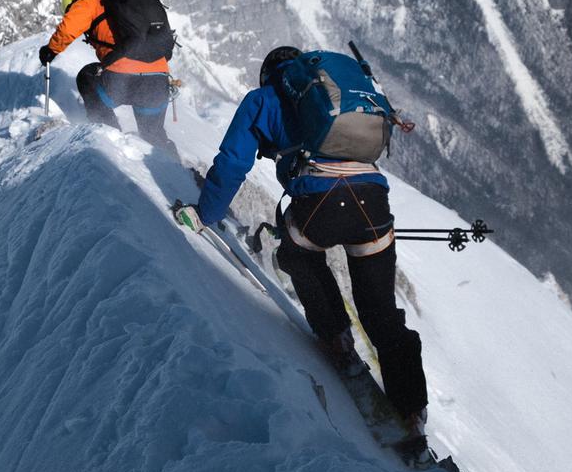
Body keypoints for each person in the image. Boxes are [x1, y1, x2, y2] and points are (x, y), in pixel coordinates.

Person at [175, 46, 428, 433]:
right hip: (374, 202)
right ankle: (412, 409)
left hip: (320, 200)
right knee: (380, 312)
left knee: (298, 255)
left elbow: (231, 164)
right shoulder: (335, 96)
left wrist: (205, 214)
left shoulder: (262, 99)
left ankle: (337, 339)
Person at [38, 0, 177, 154]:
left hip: (125, 79)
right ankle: (180, 174)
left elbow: (68, 28)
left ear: (74, 0)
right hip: (158, 82)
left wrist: (51, 50)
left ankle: (109, 135)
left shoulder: (92, 1)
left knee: (87, 76)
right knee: (154, 135)